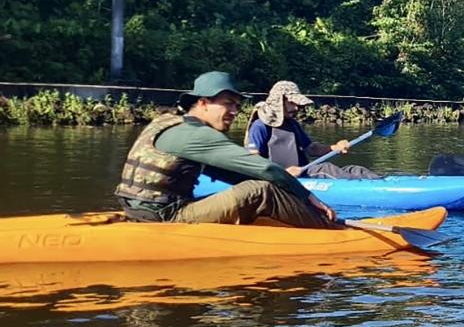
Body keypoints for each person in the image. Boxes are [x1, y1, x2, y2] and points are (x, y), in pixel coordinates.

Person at [115, 71, 339, 226]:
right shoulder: (198, 135)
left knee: (258, 186)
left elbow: (227, 172)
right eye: (227, 103)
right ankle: (330, 227)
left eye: (237, 105)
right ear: (203, 103)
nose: (234, 111)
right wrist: (308, 197)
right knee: (260, 190)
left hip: (138, 211)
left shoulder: (166, 122)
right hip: (165, 216)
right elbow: (268, 171)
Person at [244, 80, 380, 179]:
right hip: (287, 179)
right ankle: (369, 190)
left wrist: (335, 147)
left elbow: (311, 149)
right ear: (279, 101)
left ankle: (381, 182)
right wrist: (282, 173)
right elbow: (252, 161)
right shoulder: (260, 126)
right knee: (326, 168)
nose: (297, 108)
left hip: (303, 173)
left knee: (356, 169)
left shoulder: (292, 124)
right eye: (292, 102)